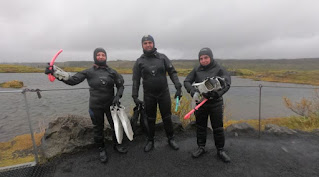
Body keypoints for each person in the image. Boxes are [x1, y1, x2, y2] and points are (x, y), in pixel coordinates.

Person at [45, 48, 128, 163]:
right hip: (95, 105)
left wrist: (117, 97)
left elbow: (121, 86)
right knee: (98, 128)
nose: (100, 56)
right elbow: (73, 80)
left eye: (103, 55)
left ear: (106, 57)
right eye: (98, 55)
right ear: (95, 57)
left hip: (111, 105)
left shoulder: (112, 72)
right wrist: (55, 72)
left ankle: (117, 145)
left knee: (115, 125)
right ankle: (101, 149)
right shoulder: (88, 72)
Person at [132, 35, 182, 152]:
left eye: (150, 42)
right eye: (145, 43)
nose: (148, 45)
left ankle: (171, 138)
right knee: (150, 118)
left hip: (163, 93)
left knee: (167, 117)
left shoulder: (162, 58)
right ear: (142, 45)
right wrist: (135, 96)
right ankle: (150, 140)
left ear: (153, 44)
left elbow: (172, 72)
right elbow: (136, 80)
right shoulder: (139, 62)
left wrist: (178, 87)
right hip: (149, 95)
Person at [184, 47, 231, 163]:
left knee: (218, 128)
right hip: (201, 103)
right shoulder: (197, 69)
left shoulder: (219, 68)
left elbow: (227, 83)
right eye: (201, 58)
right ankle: (201, 147)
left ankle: (220, 150)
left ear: (211, 57)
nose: (203, 60)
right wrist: (192, 91)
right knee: (200, 127)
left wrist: (217, 94)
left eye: (206, 57)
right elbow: (186, 81)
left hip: (216, 102)